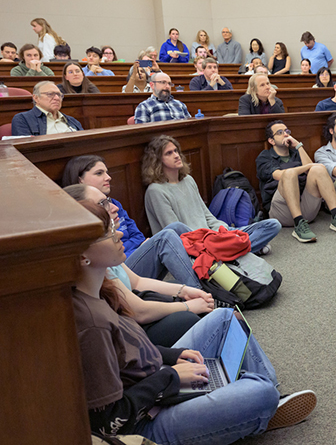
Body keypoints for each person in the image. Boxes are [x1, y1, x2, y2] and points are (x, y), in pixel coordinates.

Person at [71, 200, 317, 443]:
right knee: (260, 393)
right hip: (146, 422)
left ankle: (260, 402)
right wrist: (171, 378)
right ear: (83, 257)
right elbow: (109, 421)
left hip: (157, 380)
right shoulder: (92, 324)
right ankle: (255, 406)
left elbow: (129, 352)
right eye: (108, 232)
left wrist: (171, 355)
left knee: (224, 317)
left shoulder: (101, 289)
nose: (120, 233)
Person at [64, 184, 210, 346]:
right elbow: (137, 311)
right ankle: (212, 304)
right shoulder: (97, 262)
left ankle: (208, 297)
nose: (113, 207)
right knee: (188, 317)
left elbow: (137, 281)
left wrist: (185, 290)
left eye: (108, 201)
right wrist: (187, 306)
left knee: (179, 288)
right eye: (102, 204)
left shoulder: (107, 254)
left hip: (133, 315)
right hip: (130, 329)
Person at [62, 155, 205, 288]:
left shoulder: (115, 203)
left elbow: (138, 236)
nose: (108, 177)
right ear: (80, 179)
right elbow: (105, 251)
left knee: (176, 227)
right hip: (119, 267)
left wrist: (139, 247)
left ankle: (215, 273)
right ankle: (202, 291)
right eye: (99, 173)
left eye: (107, 172)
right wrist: (138, 248)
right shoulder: (83, 213)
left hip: (130, 257)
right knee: (165, 238)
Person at [143, 135, 281, 255]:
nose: (176, 155)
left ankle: (236, 248)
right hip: (197, 244)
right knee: (240, 239)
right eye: (168, 153)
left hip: (213, 235)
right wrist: (214, 238)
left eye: (176, 151)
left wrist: (222, 229)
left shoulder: (188, 180)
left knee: (273, 225)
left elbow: (206, 214)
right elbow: (177, 232)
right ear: (157, 161)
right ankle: (240, 248)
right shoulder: (155, 191)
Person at [256, 120, 336, 243]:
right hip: (281, 212)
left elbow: (312, 169)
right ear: (271, 141)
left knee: (318, 169)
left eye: (287, 131)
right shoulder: (264, 156)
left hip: (305, 209)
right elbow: (279, 175)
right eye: (280, 132)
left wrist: (299, 146)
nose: (286, 134)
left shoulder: (296, 153)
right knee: (289, 173)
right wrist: (307, 167)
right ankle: (298, 225)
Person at [11, 81, 83, 136]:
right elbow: (27, 150)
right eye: (50, 94)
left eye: (59, 95)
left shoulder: (71, 120)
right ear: (36, 98)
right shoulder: (23, 119)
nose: (57, 98)